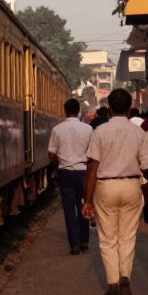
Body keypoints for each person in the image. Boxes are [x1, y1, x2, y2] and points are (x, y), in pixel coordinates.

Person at [83, 88, 148, 295]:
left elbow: (92, 169)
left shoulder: (100, 132)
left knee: (107, 238)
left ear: (109, 109)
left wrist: (88, 200)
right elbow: (147, 167)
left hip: (106, 187)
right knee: (127, 236)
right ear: (130, 108)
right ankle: (125, 280)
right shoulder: (139, 133)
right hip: (131, 185)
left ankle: (112, 284)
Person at [48, 98, 92, 255]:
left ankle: (74, 244)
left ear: (65, 111)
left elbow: (52, 153)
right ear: (79, 111)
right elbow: (93, 153)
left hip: (65, 171)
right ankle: (84, 241)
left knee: (68, 209)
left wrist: (57, 162)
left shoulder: (57, 129)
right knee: (84, 204)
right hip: (83, 172)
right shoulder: (88, 129)